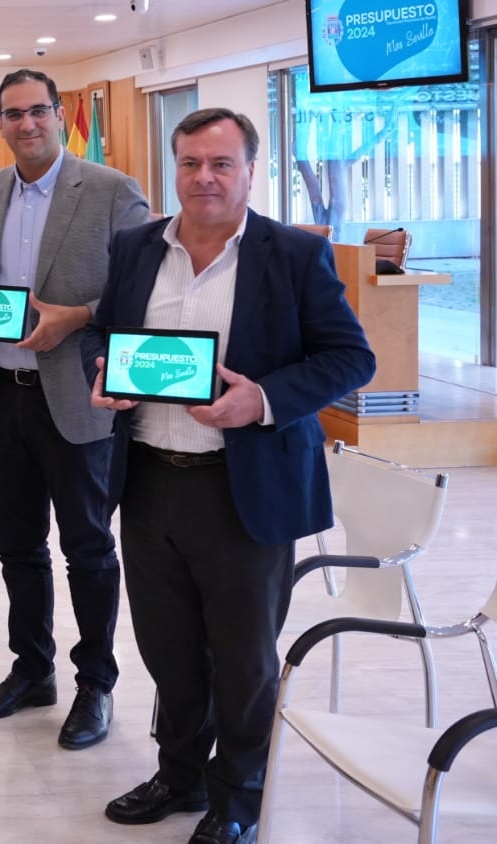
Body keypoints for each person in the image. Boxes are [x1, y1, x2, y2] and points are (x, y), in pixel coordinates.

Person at [86, 108, 373, 844]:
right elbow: (104, 332)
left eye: (221, 164)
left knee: (244, 661)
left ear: (251, 170)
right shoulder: (137, 247)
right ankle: (179, 775)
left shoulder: (294, 254)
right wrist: (105, 370)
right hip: (149, 481)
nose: (204, 178)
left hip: (244, 491)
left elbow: (350, 358)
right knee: (169, 649)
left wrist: (263, 400)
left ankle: (240, 797)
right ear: (174, 168)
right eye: (190, 163)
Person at [0, 68, 150, 750]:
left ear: (59, 115)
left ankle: (95, 683)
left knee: (87, 548)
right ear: (0, 124)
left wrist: (78, 317)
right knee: (17, 546)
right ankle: (32, 669)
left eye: (38, 111)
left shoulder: (111, 189)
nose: (27, 124)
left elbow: (142, 287)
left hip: (77, 402)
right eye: (13, 114)